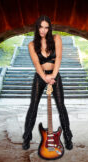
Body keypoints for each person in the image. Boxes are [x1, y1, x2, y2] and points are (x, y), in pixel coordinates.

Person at [22, 15, 73, 150]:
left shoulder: (56, 38)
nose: (43, 30)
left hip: (54, 75)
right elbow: (37, 64)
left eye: (46, 27)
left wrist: (53, 76)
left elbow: (59, 58)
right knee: (33, 106)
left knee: (61, 106)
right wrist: (45, 78)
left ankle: (68, 138)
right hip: (40, 76)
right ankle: (26, 138)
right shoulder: (32, 45)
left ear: (49, 28)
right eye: (41, 27)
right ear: (37, 28)